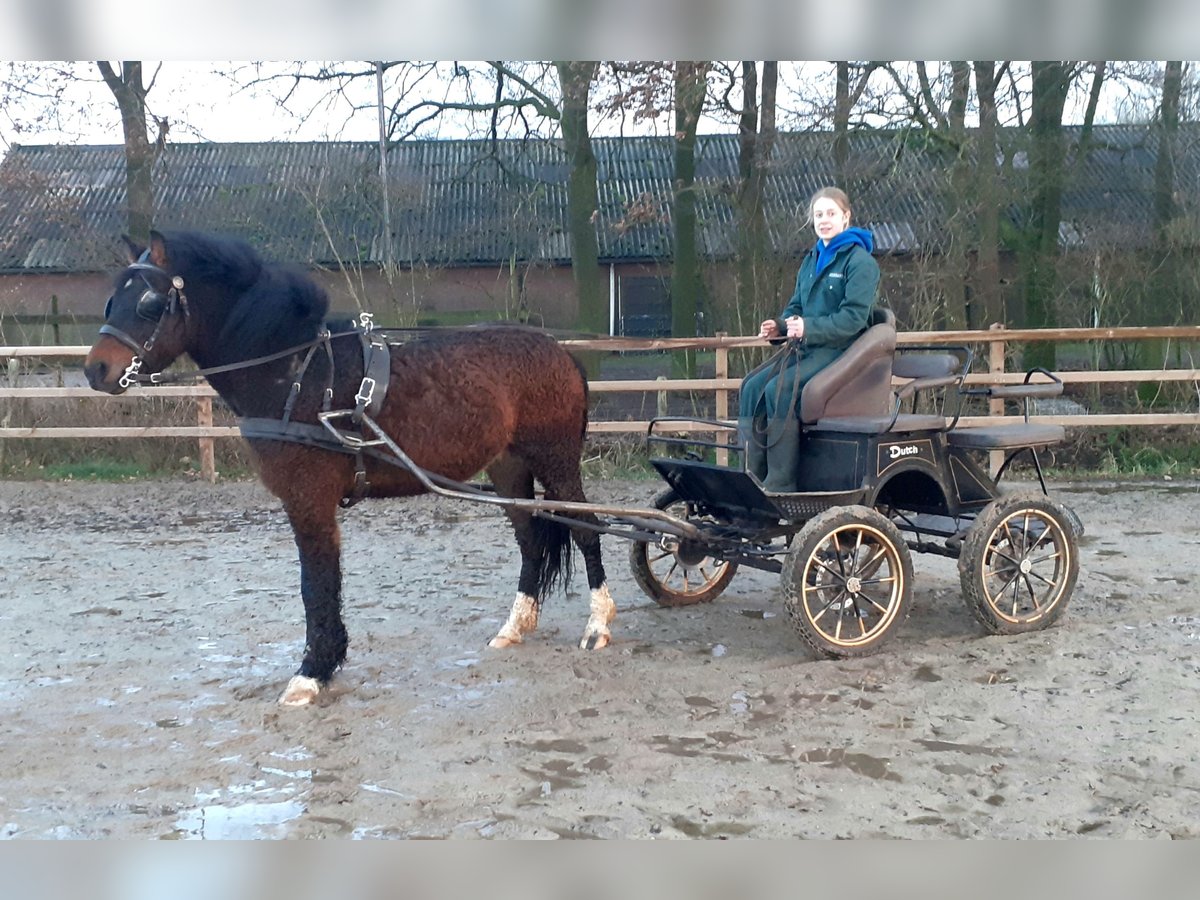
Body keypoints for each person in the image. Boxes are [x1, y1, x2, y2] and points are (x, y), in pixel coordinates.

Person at [739, 186, 880, 492]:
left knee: (782, 389)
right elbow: (797, 307)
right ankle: (750, 475)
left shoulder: (860, 263)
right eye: (819, 215)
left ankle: (780, 483)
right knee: (751, 387)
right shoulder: (811, 260)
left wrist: (808, 328)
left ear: (846, 217)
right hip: (806, 349)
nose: (824, 220)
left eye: (831, 214)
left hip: (842, 350)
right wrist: (779, 325)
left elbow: (854, 319)